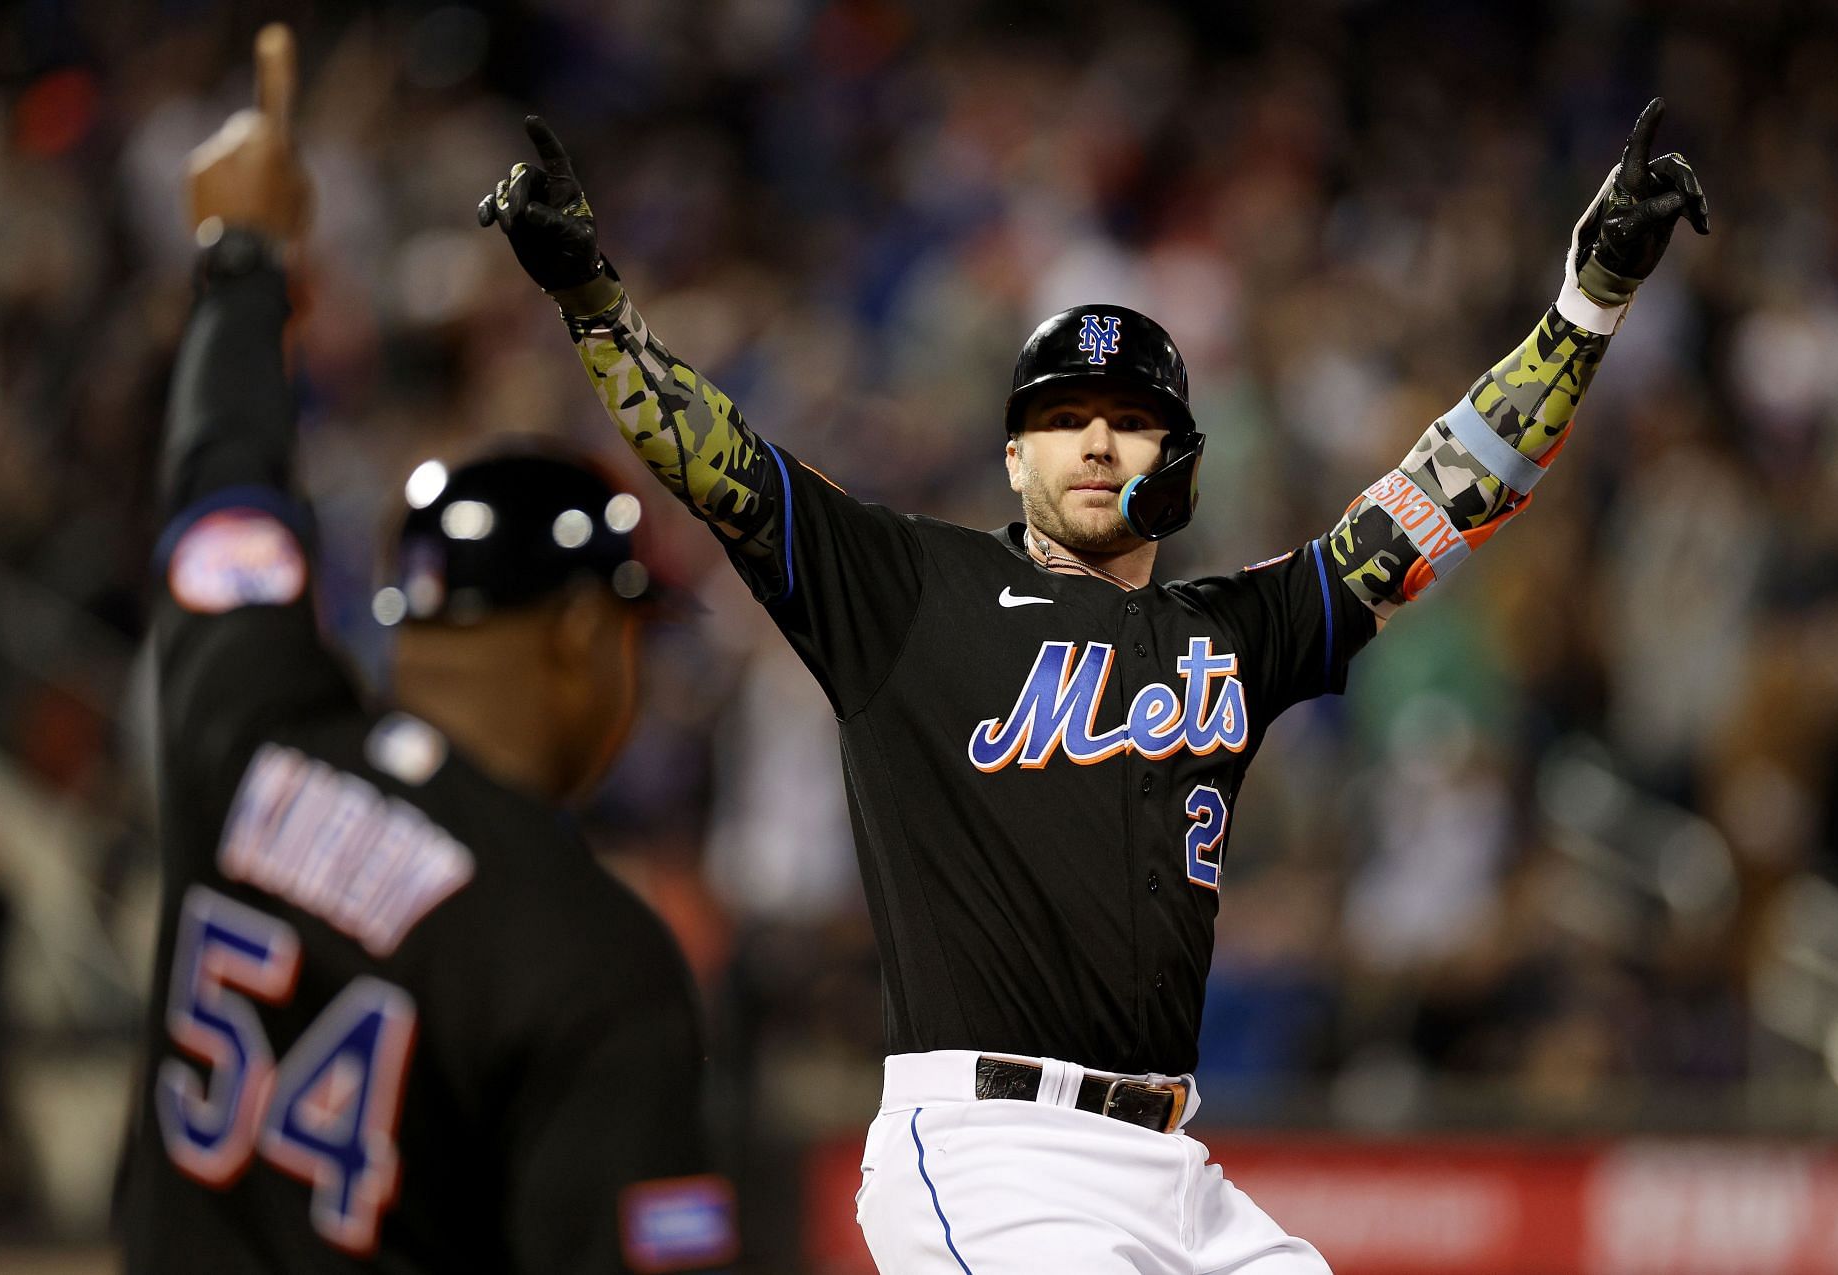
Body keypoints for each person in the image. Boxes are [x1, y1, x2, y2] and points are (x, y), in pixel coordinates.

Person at [480, 96, 1708, 1272]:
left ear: (1183, 457)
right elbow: (722, 467)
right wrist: (594, 302)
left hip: (1176, 1167)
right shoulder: (905, 588)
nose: (1098, 441)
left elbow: (1444, 493)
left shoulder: (1240, 628)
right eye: (1064, 416)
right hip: (989, 1155)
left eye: (1131, 417)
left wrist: (1589, 303)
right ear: (1013, 451)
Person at [124, 27, 736, 1273]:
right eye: (629, 638)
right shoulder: (588, 954)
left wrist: (241, 259)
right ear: (577, 633)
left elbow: (224, 482)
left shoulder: (249, 726)